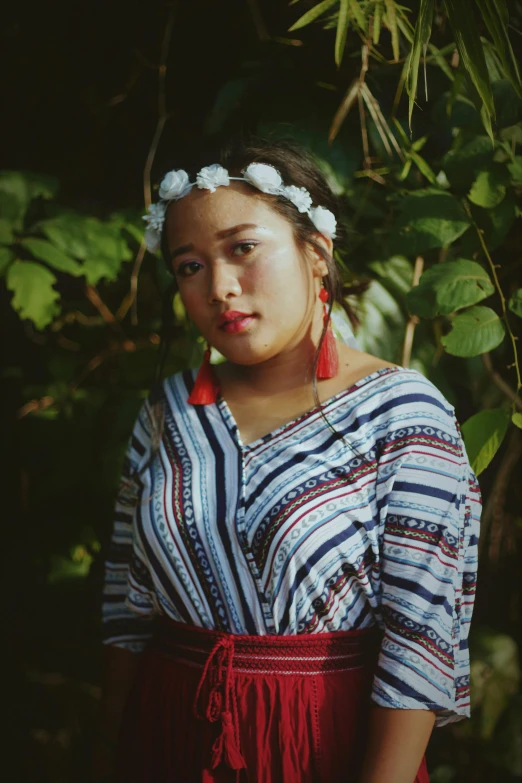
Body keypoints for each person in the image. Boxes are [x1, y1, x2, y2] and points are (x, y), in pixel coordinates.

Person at [95, 138, 481, 783]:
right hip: (165, 735)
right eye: (189, 266)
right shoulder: (168, 412)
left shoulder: (402, 413)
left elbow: (421, 640)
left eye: (243, 248)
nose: (218, 287)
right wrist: (107, 753)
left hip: (319, 744)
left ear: (317, 252)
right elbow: (124, 608)